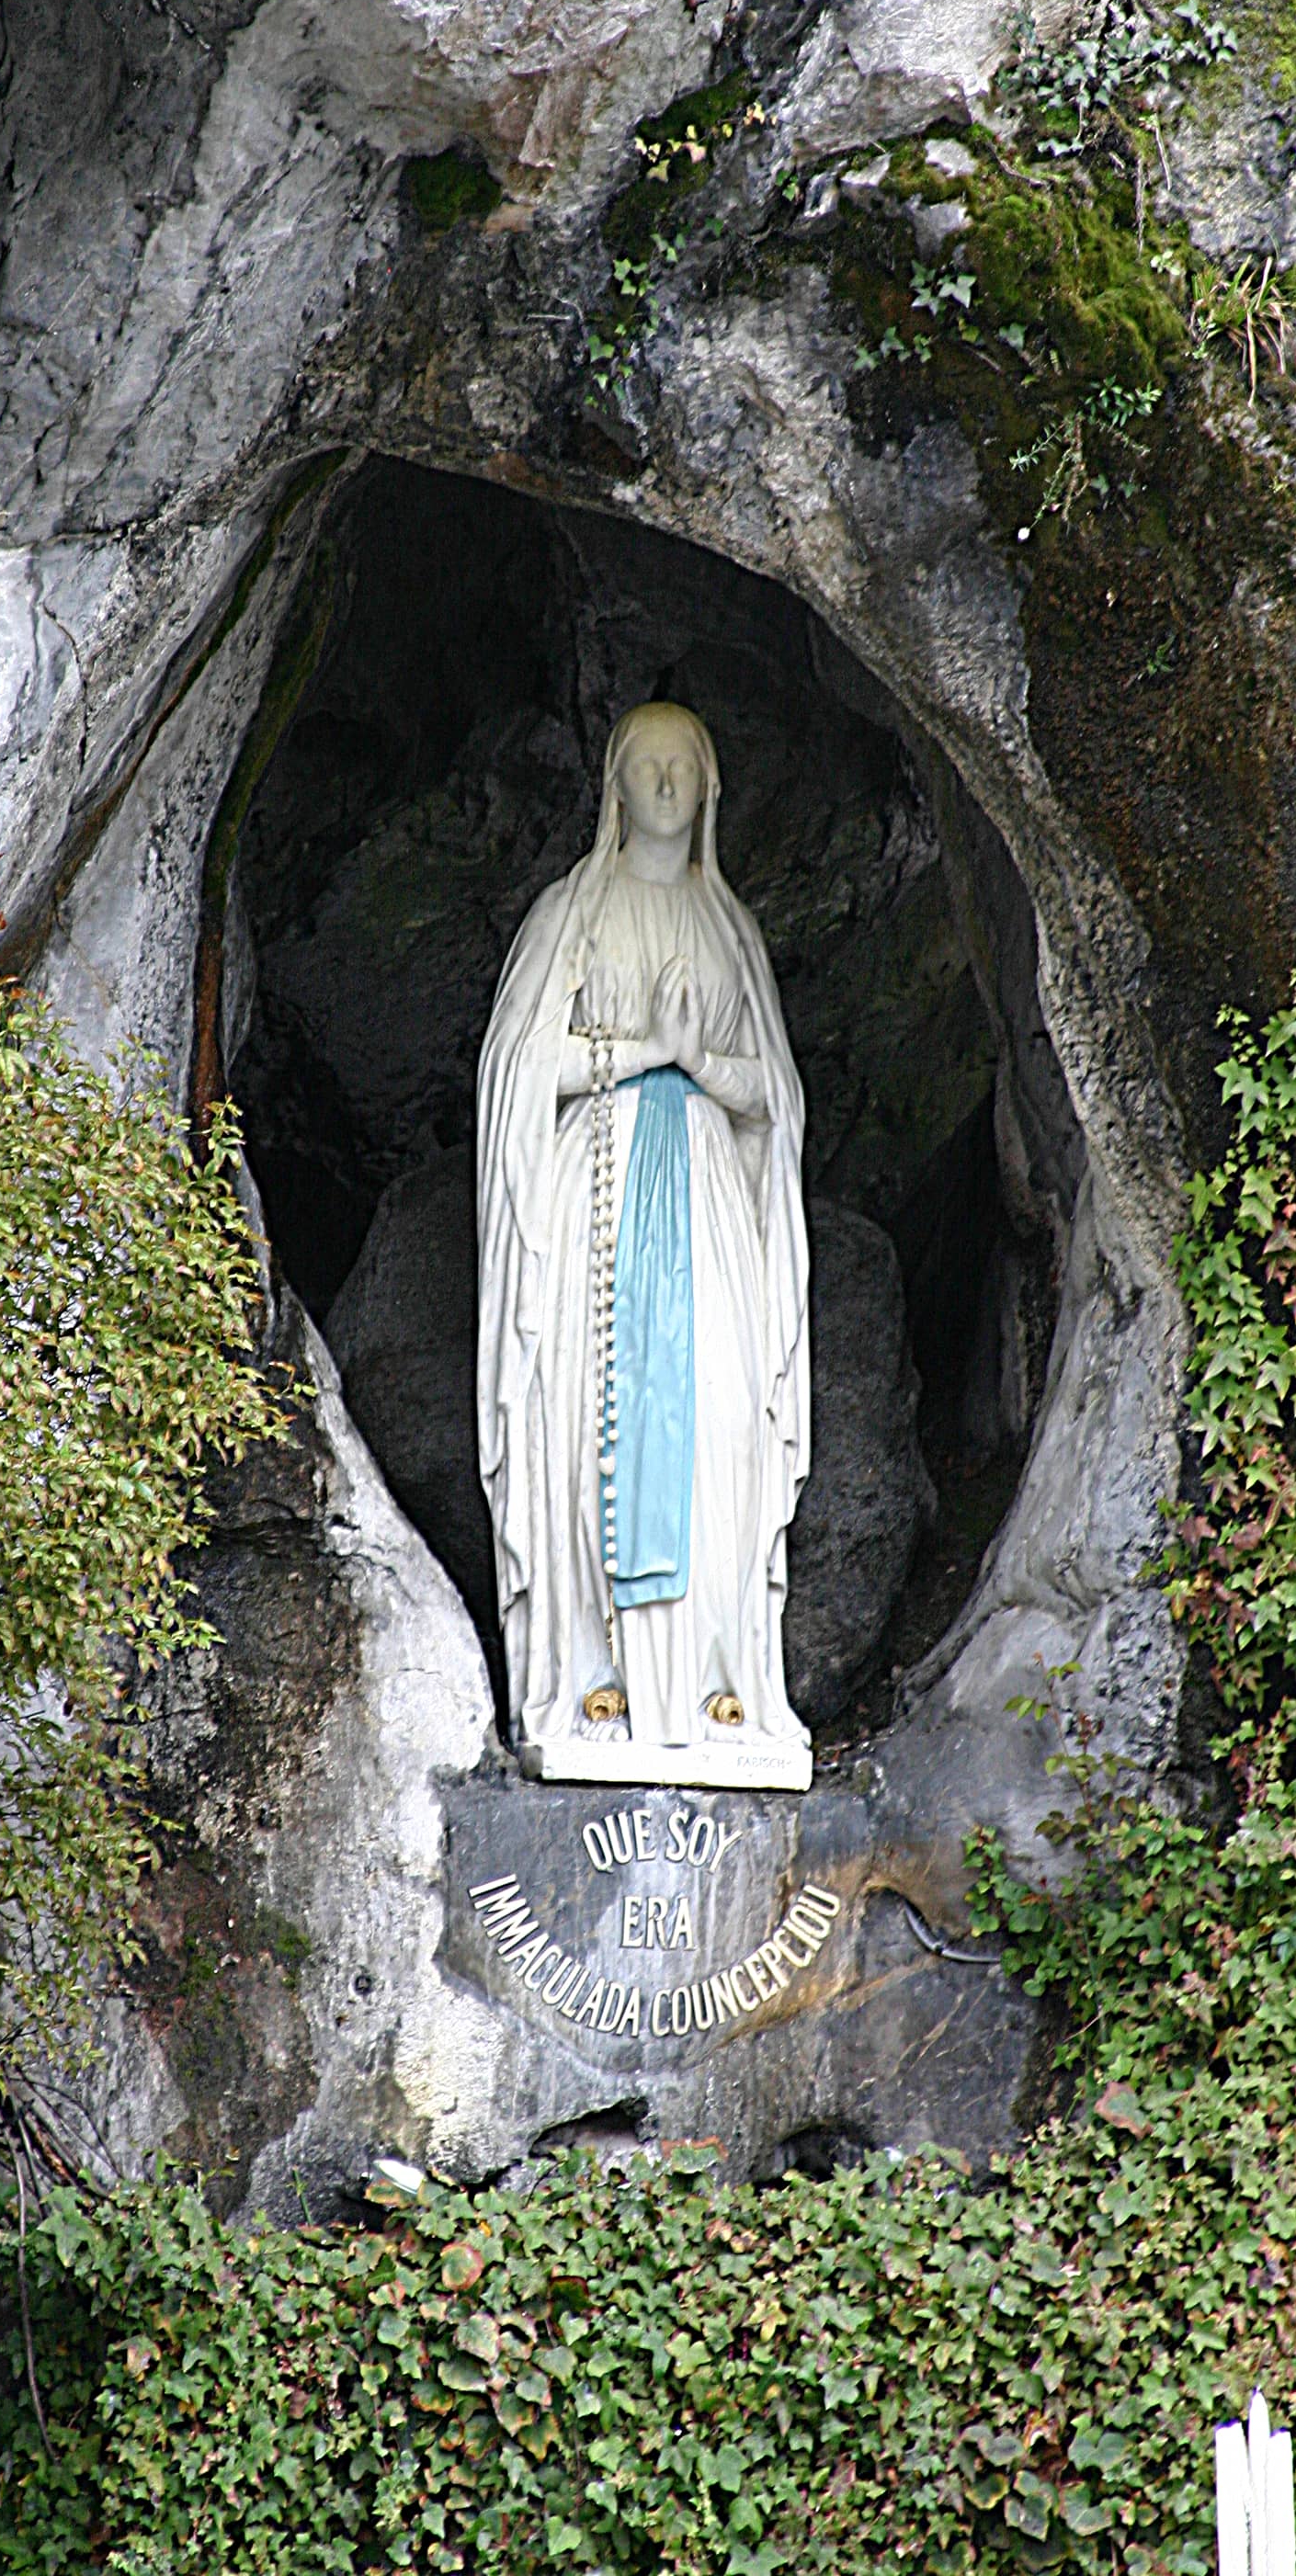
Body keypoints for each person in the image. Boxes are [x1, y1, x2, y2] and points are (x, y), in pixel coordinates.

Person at [475, 700, 812, 1787]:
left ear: (711, 788)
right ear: (612, 786)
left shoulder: (731, 933)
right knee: (587, 1419)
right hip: (595, 1202)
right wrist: (639, 1052)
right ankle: (593, 1685)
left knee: (719, 1426)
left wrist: (700, 1066)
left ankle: (717, 1690)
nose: (664, 784)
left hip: (709, 1206)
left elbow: (776, 1101)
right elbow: (518, 1074)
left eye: (683, 767)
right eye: (644, 766)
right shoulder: (567, 918)